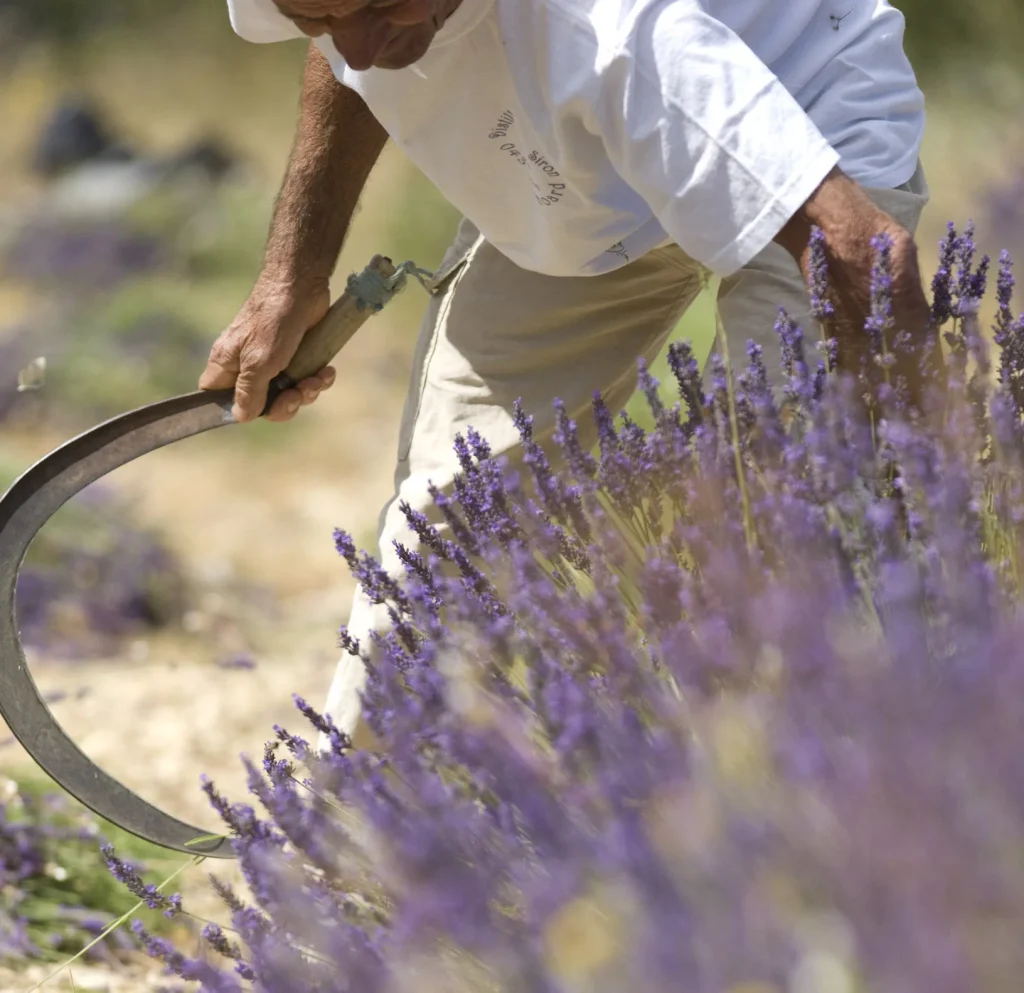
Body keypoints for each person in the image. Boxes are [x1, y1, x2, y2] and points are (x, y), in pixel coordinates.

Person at [206, 0, 931, 745]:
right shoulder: (360, 17)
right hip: (583, 161)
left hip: (801, 111)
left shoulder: (612, 29)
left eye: (384, 10)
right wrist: (292, 271)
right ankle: (351, 831)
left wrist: (930, 490)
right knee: (454, 508)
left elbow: (859, 251)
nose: (355, 47)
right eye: (317, 16)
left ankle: (784, 816)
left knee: (776, 526)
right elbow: (349, 48)